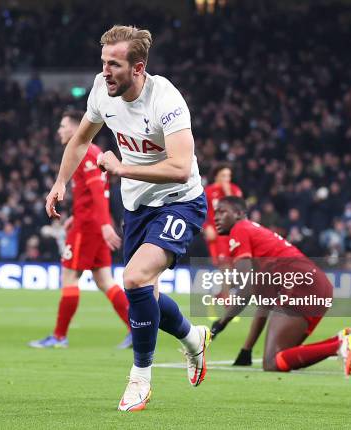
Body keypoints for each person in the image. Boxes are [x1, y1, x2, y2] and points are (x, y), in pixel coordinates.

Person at [45, 26, 211, 412]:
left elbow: (181, 168)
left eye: (114, 64)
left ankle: (140, 378)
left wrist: (122, 168)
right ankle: (192, 339)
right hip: (136, 206)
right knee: (145, 294)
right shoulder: (102, 90)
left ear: (138, 68)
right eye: (103, 62)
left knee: (134, 278)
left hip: (179, 202)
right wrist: (59, 183)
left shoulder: (166, 100)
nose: (105, 71)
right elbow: (82, 139)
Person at [210, 196, 351, 376]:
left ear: (240, 214)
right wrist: (246, 350)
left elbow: (246, 288)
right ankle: (341, 341)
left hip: (300, 285)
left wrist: (220, 324)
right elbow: (263, 306)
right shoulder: (259, 241)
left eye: (222, 211)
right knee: (283, 357)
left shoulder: (240, 229)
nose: (217, 217)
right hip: (318, 286)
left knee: (272, 362)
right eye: (215, 213)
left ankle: (339, 345)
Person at [30, 110, 131, 349]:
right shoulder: (90, 153)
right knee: (104, 279)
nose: (59, 130)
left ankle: (58, 336)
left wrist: (105, 224)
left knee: (69, 277)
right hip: (88, 221)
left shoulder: (86, 152)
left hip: (88, 227)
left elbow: (98, 193)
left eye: (63, 126)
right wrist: (75, 215)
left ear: (76, 128)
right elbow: (90, 193)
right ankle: (136, 329)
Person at [203, 164, 243, 265]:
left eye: (228, 176)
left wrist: (227, 193)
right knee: (221, 265)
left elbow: (239, 210)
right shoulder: (208, 191)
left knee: (236, 263)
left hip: (233, 233)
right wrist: (206, 227)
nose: (227, 179)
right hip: (216, 234)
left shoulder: (235, 190)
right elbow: (202, 211)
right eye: (223, 175)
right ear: (216, 176)